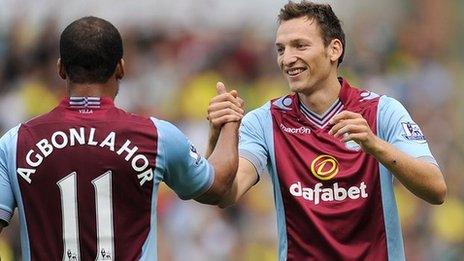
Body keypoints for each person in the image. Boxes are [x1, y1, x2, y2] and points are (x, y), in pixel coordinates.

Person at [206, 1, 447, 260]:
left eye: (300, 45)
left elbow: (436, 190)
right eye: (281, 49)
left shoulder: (383, 111)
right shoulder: (265, 121)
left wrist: (374, 145)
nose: (287, 59)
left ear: (333, 49)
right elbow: (224, 193)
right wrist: (217, 139)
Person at [0, 16, 243, 260]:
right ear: (121, 68)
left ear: (61, 69)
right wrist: (230, 120)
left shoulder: (16, 142)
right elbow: (218, 186)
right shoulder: (156, 136)